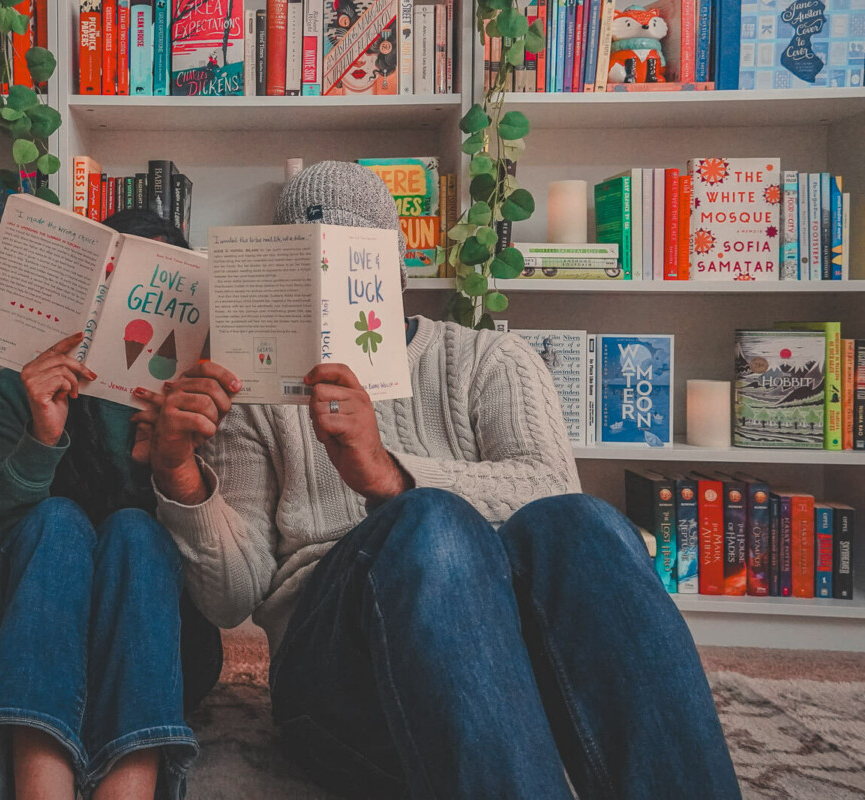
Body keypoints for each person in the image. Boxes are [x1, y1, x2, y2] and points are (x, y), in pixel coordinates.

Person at [149, 161, 741, 799]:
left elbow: (550, 491)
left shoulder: (489, 359)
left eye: (350, 262)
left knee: (583, 520)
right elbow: (231, 599)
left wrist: (392, 475)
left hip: (506, 676)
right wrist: (180, 473)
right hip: (337, 684)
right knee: (429, 523)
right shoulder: (255, 395)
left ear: (395, 269)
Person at [0, 209, 223, 800]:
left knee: (133, 529)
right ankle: (39, 785)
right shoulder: (17, 388)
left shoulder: (201, 403)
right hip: (27, 651)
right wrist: (41, 442)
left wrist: (170, 465)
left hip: (159, 654)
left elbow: (218, 578)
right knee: (59, 520)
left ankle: (131, 785)